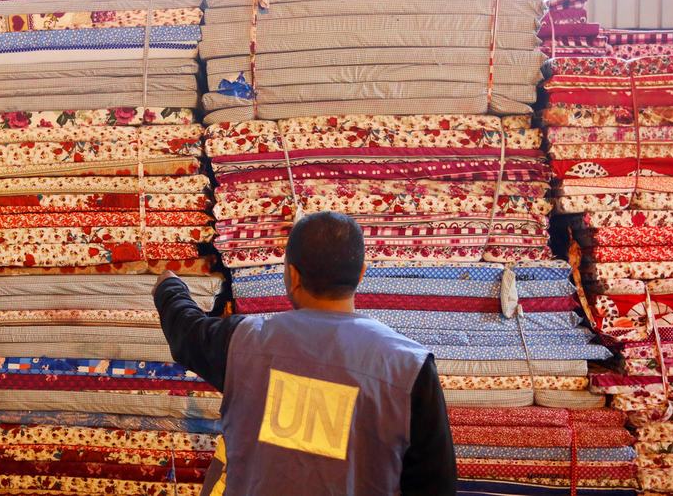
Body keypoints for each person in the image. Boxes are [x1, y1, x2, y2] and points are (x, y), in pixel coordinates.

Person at [153, 210, 456, 495]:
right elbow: (434, 486)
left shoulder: (241, 341)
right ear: (361, 274)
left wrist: (170, 286)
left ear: (292, 274)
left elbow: (186, 331)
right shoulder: (409, 368)